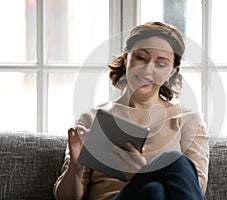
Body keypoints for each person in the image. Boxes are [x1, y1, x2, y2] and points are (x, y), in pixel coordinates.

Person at [53, 21, 209, 200]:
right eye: (141, 58)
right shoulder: (93, 118)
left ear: (172, 72)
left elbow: (194, 187)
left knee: (154, 191)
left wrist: (139, 174)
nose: (147, 69)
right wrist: (75, 166)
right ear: (127, 58)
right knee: (171, 162)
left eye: (161, 64)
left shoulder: (188, 119)